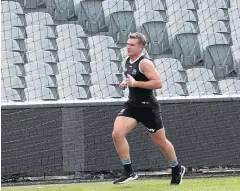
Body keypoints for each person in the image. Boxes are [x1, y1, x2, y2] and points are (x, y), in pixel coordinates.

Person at [112, 32, 185, 185]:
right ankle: (129, 171)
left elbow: (157, 83)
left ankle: (176, 168)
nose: (128, 47)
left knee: (161, 142)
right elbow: (132, 79)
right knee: (117, 134)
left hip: (148, 108)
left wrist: (135, 84)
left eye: (132, 45)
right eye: (127, 44)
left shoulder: (145, 63)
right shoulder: (127, 60)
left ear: (141, 47)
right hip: (132, 106)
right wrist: (126, 83)